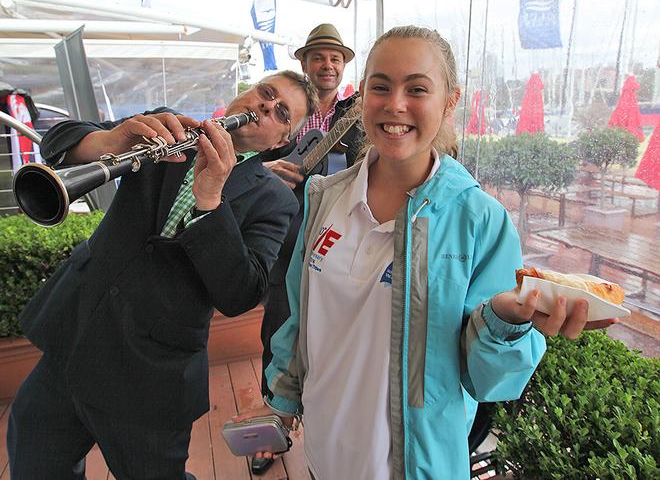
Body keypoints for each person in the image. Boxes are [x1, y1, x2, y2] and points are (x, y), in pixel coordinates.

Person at [235, 26, 617, 479]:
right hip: (323, 452)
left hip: (415, 466)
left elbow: (492, 381)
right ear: (362, 99)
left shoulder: (478, 219)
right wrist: (281, 402)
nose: (395, 104)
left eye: (417, 88)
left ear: (449, 101)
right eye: (380, 87)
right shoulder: (324, 198)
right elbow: (300, 319)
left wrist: (505, 322)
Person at [7, 70, 317, 480]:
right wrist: (111, 140)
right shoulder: (167, 126)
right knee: (34, 458)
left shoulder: (274, 199)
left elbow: (242, 292)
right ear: (245, 92)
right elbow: (57, 139)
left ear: (281, 141)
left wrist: (210, 199)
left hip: (151, 373)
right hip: (77, 332)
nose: (264, 107)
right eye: (265, 93)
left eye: (281, 113)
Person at [252, 25, 362, 474]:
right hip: (283, 233)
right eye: (319, 57)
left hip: (336, 236)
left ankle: (323, 420)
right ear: (305, 63)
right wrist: (265, 173)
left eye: (335, 58)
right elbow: (248, 160)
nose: (328, 65)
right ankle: (272, 427)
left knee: (334, 330)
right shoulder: (282, 110)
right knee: (277, 324)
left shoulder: (356, 113)